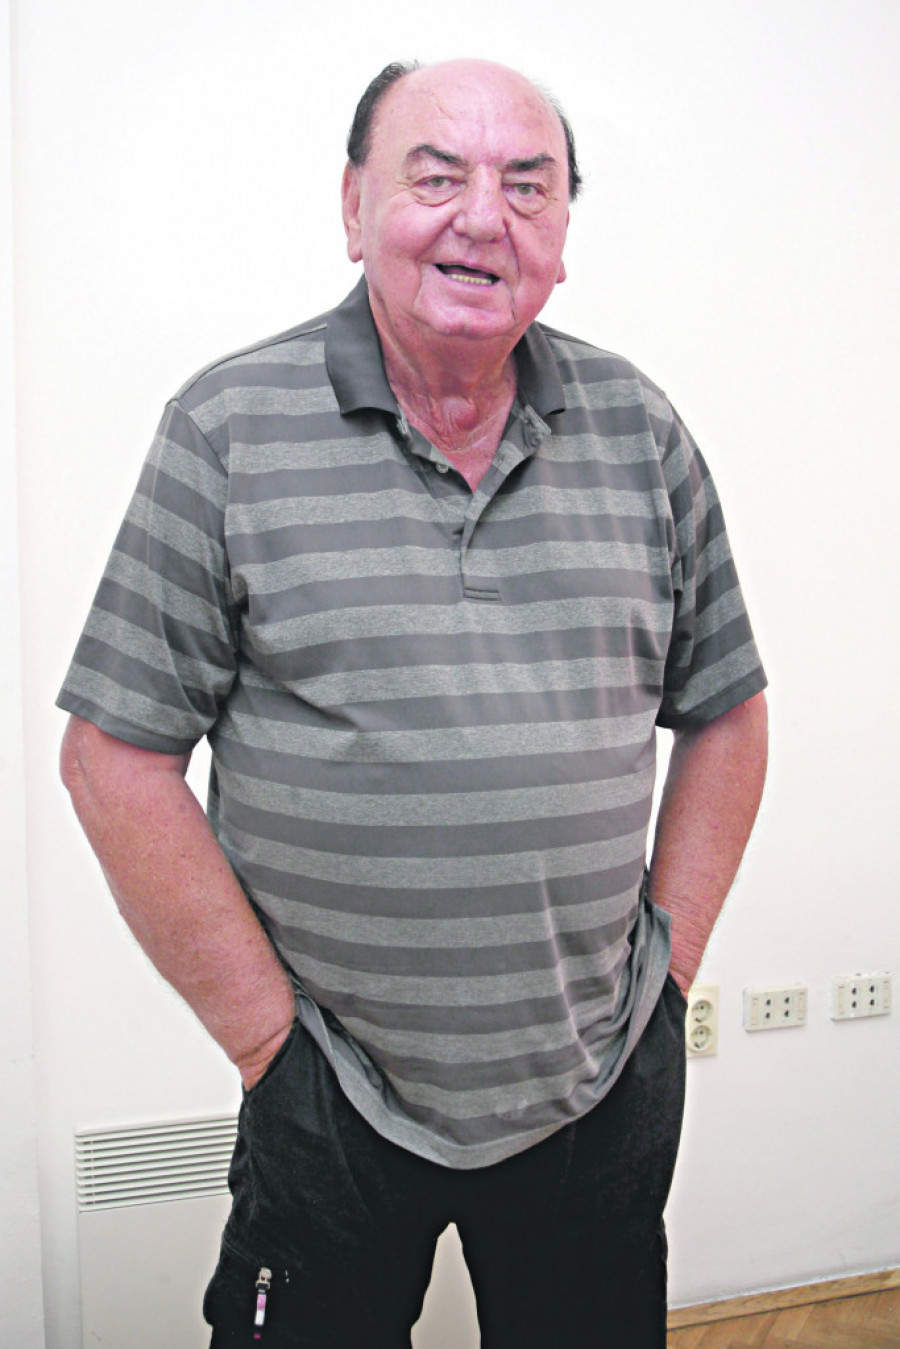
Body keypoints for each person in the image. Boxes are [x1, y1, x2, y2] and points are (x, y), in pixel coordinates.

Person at [59, 58, 768, 1349]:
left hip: (597, 1085)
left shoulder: (638, 429)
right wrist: (270, 1047)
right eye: (436, 178)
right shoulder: (229, 428)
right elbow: (113, 756)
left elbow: (727, 708)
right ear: (354, 206)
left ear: (562, 231)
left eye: (528, 186)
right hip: (331, 1092)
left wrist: (668, 986)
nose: (483, 217)